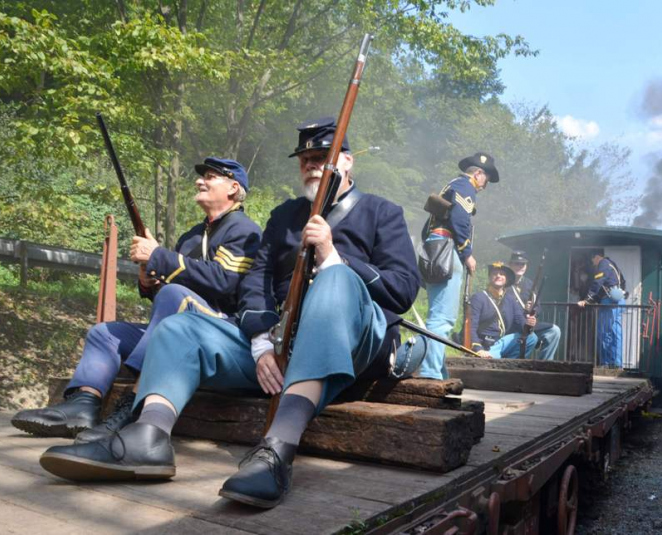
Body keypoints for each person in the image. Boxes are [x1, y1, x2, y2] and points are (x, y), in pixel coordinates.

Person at [38, 116, 421, 511]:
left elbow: (402, 290)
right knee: (179, 327)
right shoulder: (284, 216)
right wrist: (260, 343)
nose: (311, 164)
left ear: (347, 161)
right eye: (305, 158)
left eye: (321, 155)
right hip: (282, 345)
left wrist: (333, 256)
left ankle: (276, 449)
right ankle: (148, 437)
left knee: (336, 279)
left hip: (353, 343)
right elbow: (255, 283)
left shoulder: (381, 212)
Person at [12, 157, 261, 442]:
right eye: (202, 175)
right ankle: (82, 405)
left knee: (173, 295)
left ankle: (131, 405)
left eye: (211, 176)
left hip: (224, 331)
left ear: (232, 187)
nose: (199, 180)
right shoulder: (191, 236)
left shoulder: (245, 230)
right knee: (104, 333)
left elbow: (224, 282)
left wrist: (159, 257)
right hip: (180, 327)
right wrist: (148, 278)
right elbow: (166, 292)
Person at [417, 152, 499, 379]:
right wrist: (467, 253)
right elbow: (460, 220)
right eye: (486, 179)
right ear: (479, 173)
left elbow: (427, 229)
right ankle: (430, 373)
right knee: (443, 318)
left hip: (435, 246)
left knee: (436, 314)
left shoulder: (452, 186)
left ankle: (437, 369)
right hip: (447, 248)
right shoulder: (465, 187)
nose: (486, 185)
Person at [468, 262, 538, 359]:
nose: (498, 276)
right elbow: (471, 327)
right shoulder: (478, 298)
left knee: (531, 337)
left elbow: (520, 323)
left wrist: (529, 324)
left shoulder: (510, 300)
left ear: (506, 279)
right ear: (489, 278)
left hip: (502, 343)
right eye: (494, 274)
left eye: (502, 274)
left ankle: (512, 364)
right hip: (484, 345)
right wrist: (478, 348)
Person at [507, 251, 561, 361]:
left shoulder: (530, 284)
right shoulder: (505, 283)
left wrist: (533, 312)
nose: (520, 266)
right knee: (533, 337)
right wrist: (522, 310)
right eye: (516, 263)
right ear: (510, 265)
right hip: (511, 325)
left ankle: (544, 365)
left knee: (554, 331)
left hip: (528, 324)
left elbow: (538, 306)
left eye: (522, 264)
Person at [577, 251, 626, 367]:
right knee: (616, 334)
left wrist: (587, 299)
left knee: (603, 332)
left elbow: (598, 282)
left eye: (593, 260)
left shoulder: (603, 263)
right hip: (619, 301)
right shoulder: (613, 265)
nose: (593, 263)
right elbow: (623, 282)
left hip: (609, 302)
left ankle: (606, 363)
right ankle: (617, 364)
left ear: (597, 257)